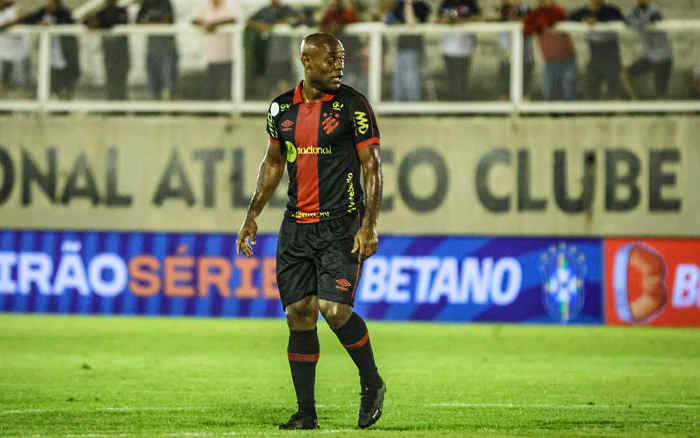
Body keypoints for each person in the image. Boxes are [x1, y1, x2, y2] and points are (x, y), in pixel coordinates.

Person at [236, 32, 385, 430]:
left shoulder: (353, 105)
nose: (339, 65)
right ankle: (306, 414)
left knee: (334, 310)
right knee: (299, 315)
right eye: (331, 59)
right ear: (306, 61)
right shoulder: (280, 109)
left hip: (340, 226)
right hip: (296, 227)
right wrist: (252, 215)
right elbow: (272, 163)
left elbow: (372, 166)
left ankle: (371, 383)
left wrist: (369, 224)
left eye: (341, 58)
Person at [1, 0, 80, 100]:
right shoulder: (44, 11)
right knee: (53, 84)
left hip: (65, 56)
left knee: (65, 83)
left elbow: (68, 24)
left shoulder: (65, 13)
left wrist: (52, 24)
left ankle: (64, 105)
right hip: (50, 57)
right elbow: (28, 19)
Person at [570, 0, 624, 100]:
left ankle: (614, 108)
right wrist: (584, 20)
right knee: (591, 81)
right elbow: (570, 18)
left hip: (610, 49)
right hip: (594, 49)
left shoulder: (612, 10)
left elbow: (620, 20)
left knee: (613, 80)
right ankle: (592, 108)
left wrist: (597, 21)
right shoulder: (582, 11)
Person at [523, 0, 577, 101]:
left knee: (569, 88)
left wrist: (543, 23)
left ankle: (569, 112)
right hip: (550, 59)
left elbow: (559, 17)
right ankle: (553, 112)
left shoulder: (558, 11)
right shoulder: (535, 15)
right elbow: (526, 29)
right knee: (550, 89)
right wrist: (540, 26)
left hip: (567, 57)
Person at [621, 0, 673, 99]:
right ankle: (636, 102)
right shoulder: (635, 10)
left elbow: (646, 21)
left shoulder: (654, 10)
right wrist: (636, 21)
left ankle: (663, 112)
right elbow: (627, 22)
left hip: (663, 57)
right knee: (624, 75)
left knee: (660, 92)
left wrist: (637, 22)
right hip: (650, 56)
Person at [248, 0, 298, 98]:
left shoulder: (287, 9)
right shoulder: (265, 11)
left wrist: (275, 25)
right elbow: (249, 21)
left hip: (287, 54)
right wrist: (261, 25)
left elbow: (297, 19)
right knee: (272, 83)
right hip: (270, 54)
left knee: (288, 82)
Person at [192, 0, 239, 100]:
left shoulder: (228, 4)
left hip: (227, 56)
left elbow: (233, 19)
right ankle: (210, 111)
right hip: (211, 56)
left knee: (226, 87)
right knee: (211, 87)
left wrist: (215, 24)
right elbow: (194, 20)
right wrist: (205, 25)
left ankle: (227, 110)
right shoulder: (206, 6)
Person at [84, 0, 131, 100]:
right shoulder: (102, 12)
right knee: (110, 78)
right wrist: (96, 22)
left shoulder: (122, 11)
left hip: (121, 52)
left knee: (121, 79)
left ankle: (121, 104)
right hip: (109, 52)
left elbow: (114, 23)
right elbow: (86, 22)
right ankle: (112, 102)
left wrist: (100, 24)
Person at [385, 0, 431, 102]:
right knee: (398, 77)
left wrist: (409, 4)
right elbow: (389, 20)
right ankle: (398, 104)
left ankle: (412, 104)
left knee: (411, 77)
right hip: (401, 46)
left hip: (414, 46)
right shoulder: (400, 4)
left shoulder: (422, 5)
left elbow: (411, 23)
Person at [436, 0, 480, 101]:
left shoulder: (470, 2)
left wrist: (461, 21)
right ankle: (453, 103)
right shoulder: (446, 3)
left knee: (462, 78)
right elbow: (438, 18)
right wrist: (450, 21)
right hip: (449, 47)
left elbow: (477, 17)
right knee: (451, 78)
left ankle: (462, 104)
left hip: (465, 47)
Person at [320, 0, 365, 93]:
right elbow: (322, 26)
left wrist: (341, 24)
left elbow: (353, 21)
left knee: (352, 81)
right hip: (335, 55)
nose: (334, 5)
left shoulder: (347, 14)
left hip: (350, 53)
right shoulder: (328, 15)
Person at [137, 0, 178, 100]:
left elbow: (166, 21)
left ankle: (171, 111)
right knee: (153, 84)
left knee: (169, 83)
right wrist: (153, 22)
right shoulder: (145, 4)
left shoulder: (165, 3)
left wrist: (148, 22)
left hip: (167, 49)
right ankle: (156, 110)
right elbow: (138, 22)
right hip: (151, 49)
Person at [0, 0, 31, 99]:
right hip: (3, 53)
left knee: (22, 84)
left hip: (20, 54)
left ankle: (23, 107)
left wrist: (7, 25)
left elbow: (19, 20)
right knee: (3, 83)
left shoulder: (16, 9)